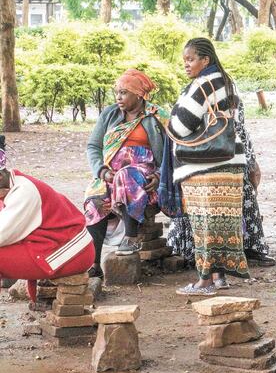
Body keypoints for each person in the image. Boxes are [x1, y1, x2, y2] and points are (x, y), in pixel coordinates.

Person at [167, 37, 249, 296]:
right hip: (231, 161)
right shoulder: (227, 81)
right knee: (222, 223)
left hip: (203, 165)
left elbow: (180, 127)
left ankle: (204, 282)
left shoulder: (201, 85)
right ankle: (220, 276)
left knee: (203, 224)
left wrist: (169, 116)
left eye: (191, 59)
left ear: (205, 60)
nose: (186, 65)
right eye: (184, 60)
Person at [167, 97, 272, 277]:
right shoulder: (196, 100)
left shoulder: (229, 100)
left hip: (219, 161)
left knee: (239, 195)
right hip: (203, 162)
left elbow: (240, 133)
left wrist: (250, 163)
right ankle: (212, 263)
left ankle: (231, 257)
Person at [84, 69, 168, 278]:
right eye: (117, 92)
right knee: (94, 199)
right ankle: (93, 263)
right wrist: (102, 171)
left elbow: (171, 151)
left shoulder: (156, 116)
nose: (118, 97)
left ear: (138, 95)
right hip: (110, 174)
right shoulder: (110, 114)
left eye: (123, 93)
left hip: (143, 174)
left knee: (126, 175)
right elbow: (93, 146)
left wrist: (159, 175)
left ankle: (131, 237)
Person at [0, 136, 94, 301]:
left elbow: (3, 234)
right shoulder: (12, 185)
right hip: (54, 244)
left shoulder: (24, 192)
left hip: (73, 252)